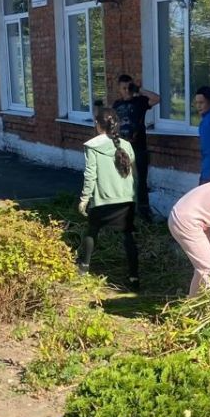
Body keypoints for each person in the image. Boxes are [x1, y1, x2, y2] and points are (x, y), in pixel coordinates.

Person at [76, 107, 139, 291]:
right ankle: (134, 278)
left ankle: (83, 269)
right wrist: (134, 196)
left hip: (103, 200)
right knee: (128, 237)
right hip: (126, 201)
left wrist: (84, 198)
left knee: (91, 231)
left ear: (97, 124)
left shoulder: (92, 146)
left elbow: (90, 175)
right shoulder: (126, 145)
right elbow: (133, 173)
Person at [113, 74, 160, 220]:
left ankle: (144, 214)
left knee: (140, 181)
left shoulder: (140, 101)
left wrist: (139, 89)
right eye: (123, 88)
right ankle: (126, 213)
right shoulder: (116, 105)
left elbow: (157, 99)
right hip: (123, 149)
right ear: (119, 89)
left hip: (139, 148)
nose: (126, 91)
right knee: (124, 180)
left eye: (129, 87)